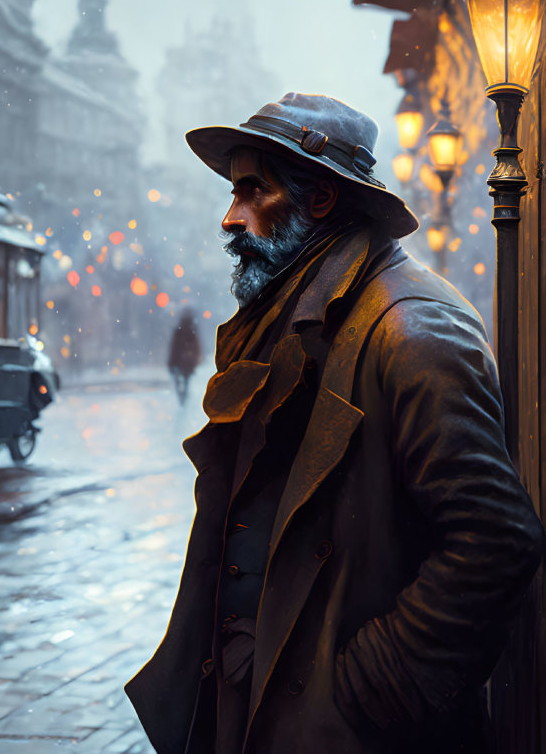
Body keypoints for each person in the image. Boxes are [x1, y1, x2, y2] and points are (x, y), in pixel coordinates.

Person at [124, 92, 545, 754]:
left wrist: (373, 685)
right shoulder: (298, 313)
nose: (230, 219)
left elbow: (495, 540)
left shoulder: (413, 328)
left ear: (319, 201)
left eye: (251, 192)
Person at [168, 308, 203, 405]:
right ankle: (183, 400)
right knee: (185, 383)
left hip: (180, 362)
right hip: (187, 363)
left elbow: (174, 348)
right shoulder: (192, 332)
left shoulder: (180, 332)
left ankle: (182, 401)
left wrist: (171, 362)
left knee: (180, 383)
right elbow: (196, 348)